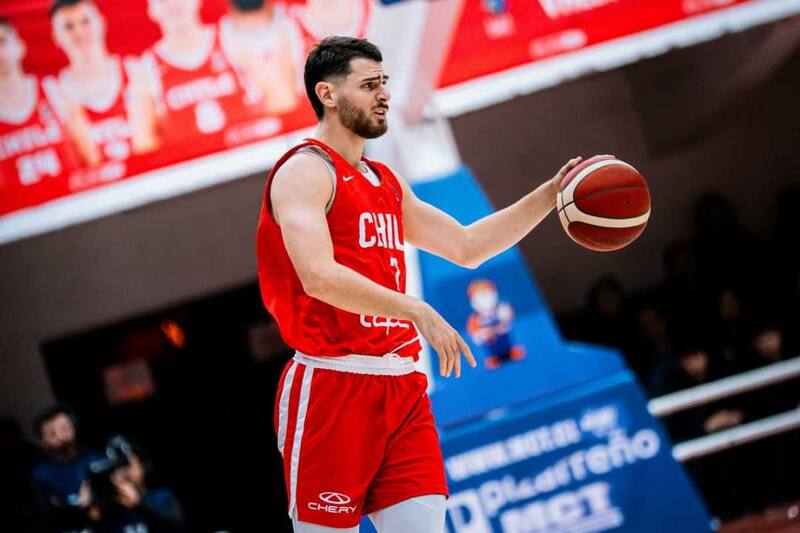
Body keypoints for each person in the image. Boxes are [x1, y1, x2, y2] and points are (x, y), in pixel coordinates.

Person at [255, 36, 582, 532]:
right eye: (369, 85)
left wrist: (551, 195)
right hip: (332, 385)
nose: (383, 94)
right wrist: (418, 310)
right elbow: (318, 276)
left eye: (384, 83)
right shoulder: (304, 171)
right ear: (327, 93)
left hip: (402, 386)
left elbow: (468, 246)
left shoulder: (385, 182)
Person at [134, 0, 286, 154]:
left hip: (246, 157)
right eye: (163, 1)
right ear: (152, 10)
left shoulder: (229, 38)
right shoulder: (146, 68)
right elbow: (143, 142)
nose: (173, 4)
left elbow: (279, 96)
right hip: (194, 170)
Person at [47, 0, 145, 191]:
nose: (79, 32)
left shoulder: (135, 70)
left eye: (85, 21)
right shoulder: (53, 92)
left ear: (101, 22)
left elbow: (148, 144)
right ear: (55, 36)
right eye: (68, 27)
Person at [0, 18, 83, 214]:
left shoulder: (53, 90)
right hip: (20, 223)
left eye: (1, 41)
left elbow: (87, 154)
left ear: (19, 46)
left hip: (74, 207)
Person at [30, 404, 102, 532]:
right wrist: (82, 507)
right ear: (42, 441)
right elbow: (47, 517)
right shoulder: (41, 474)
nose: (60, 436)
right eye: (52, 433)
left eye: (64, 428)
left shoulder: (96, 460)